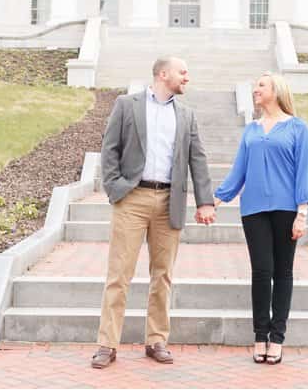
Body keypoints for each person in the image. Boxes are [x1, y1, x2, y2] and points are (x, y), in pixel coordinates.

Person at [91, 56, 216, 369]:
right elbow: (110, 150)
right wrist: (115, 187)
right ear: (164, 74)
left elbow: (197, 160)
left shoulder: (187, 115)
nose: (187, 77)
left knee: (163, 275)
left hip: (168, 202)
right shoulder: (126, 104)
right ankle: (107, 344)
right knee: (119, 274)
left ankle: (156, 340)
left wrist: (205, 201)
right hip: (132, 198)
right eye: (182, 72)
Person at [213, 72, 308, 365]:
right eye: (256, 85)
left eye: (261, 85)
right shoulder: (252, 130)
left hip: (286, 209)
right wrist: (215, 200)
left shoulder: (297, 128)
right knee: (261, 271)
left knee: (282, 272)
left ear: (276, 91)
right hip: (253, 209)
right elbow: (238, 171)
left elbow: (303, 172)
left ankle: (277, 338)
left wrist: (302, 212)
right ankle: (260, 336)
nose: (256, 90)